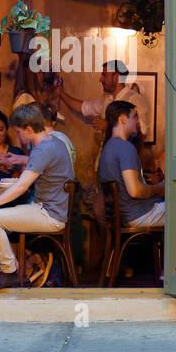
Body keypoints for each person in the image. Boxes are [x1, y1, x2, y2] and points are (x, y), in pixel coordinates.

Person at [0, 103, 76, 289]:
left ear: (29, 129)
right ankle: (17, 267)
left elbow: (22, 186)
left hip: (49, 215)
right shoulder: (54, 141)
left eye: (18, 132)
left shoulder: (42, 149)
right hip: (49, 209)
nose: (17, 136)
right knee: (0, 216)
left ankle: (9, 272)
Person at [98, 100, 164, 229]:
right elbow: (135, 191)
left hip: (126, 216)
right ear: (123, 119)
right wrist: (160, 188)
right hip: (139, 214)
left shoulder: (107, 148)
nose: (138, 122)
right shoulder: (125, 148)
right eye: (135, 117)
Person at [57, 59, 151, 139]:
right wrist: (60, 92)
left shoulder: (136, 100)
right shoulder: (107, 100)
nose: (100, 79)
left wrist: (108, 128)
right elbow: (83, 108)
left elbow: (142, 135)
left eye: (104, 75)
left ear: (116, 77)